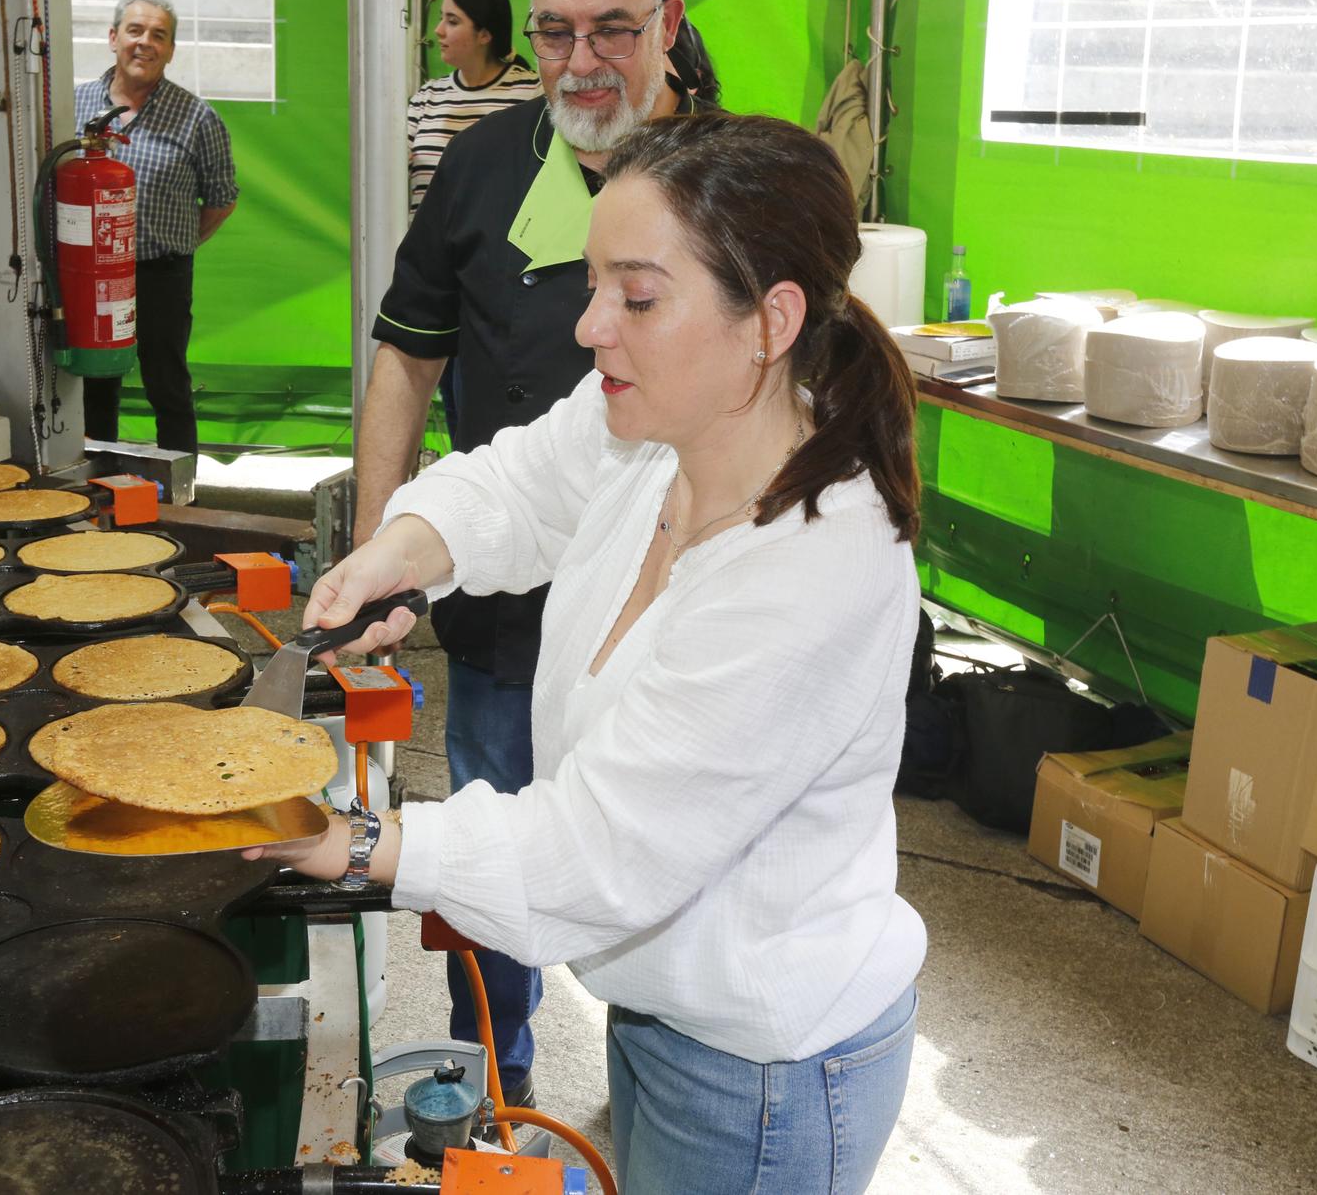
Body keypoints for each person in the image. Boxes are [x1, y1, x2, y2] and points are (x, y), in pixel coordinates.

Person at [258, 112, 926, 1193]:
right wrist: (402, 553)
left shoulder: (810, 566)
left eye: (637, 296)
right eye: (592, 285)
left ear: (770, 318)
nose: (588, 328)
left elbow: (595, 855)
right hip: (663, 1003)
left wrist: (350, 838)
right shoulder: (658, 425)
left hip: (761, 1067)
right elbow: (520, 479)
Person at [354, 0, 706, 1110]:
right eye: (554, 32)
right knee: (496, 871)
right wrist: (379, 554)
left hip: (674, 621)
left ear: (666, 25)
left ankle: (652, 1089)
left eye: (612, 29)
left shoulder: (727, 182)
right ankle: (488, 1090)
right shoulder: (485, 160)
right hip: (503, 606)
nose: (580, 61)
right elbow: (408, 351)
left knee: (661, 889)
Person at [75, 0, 238, 453]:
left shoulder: (197, 117)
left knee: (167, 386)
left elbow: (223, 198)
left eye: (158, 35)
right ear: (113, 38)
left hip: (161, 273)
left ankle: (181, 500)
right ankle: (96, 490)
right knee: (93, 386)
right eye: (135, 31)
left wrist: (181, 243)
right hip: (92, 276)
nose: (145, 43)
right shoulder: (74, 104)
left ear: (170, 49)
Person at [406, 0, 539, 218]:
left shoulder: (531, 93)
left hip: (495, 251)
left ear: (484, 35)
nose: (438, 31)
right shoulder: (427, 98)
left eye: (453, 21)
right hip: (426, 252)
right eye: (440, 19)